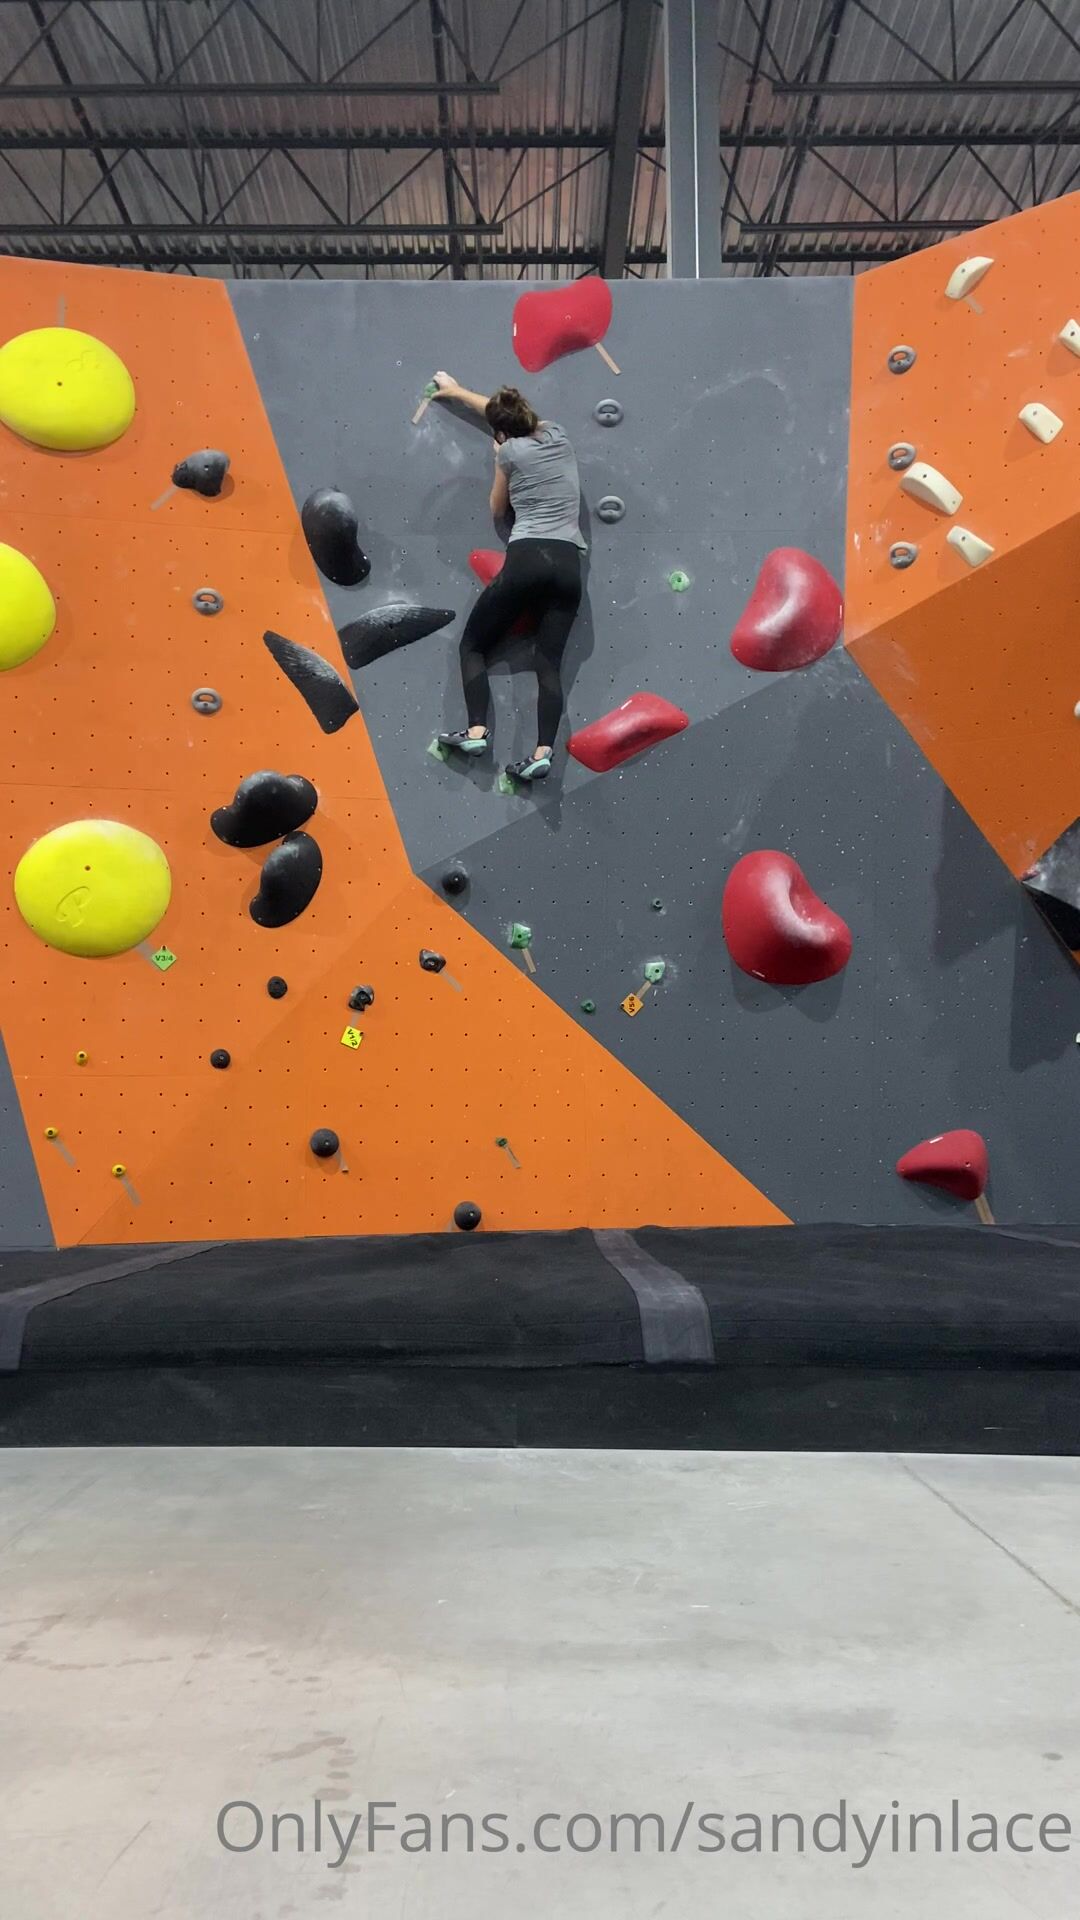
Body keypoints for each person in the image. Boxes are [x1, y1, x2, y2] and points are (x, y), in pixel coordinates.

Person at [431, 371, 586, 782]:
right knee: (548, 663)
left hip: (528, 558)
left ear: (500, 433)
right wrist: (459, 391)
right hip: (568, 565)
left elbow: (497, 509)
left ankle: (476, 732)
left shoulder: (508, 454)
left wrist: (499, 455)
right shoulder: (558, 434)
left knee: (472, 646)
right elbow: (505, 413)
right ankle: (542, 752)